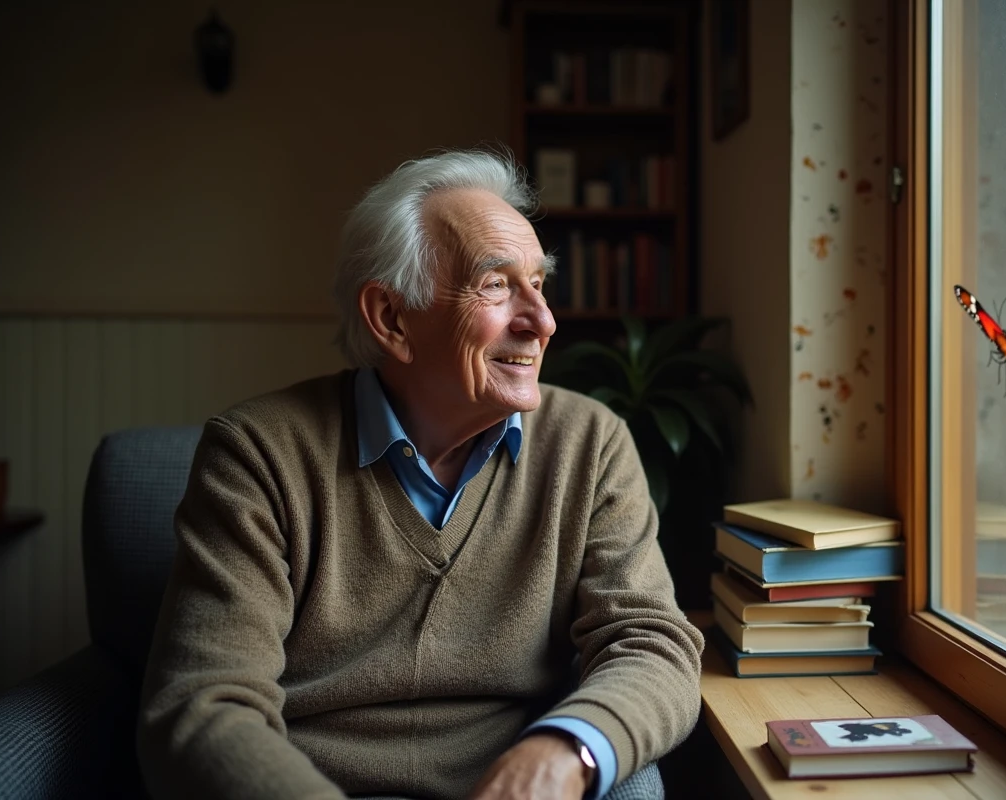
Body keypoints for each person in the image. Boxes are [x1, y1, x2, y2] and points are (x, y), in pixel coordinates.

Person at [137, 148, 704, 800]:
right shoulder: (258, 454)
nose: (543, 322)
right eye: (496, 285)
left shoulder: (590, 443)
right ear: (392, 318)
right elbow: (204, 704)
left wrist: (567, 749)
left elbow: (650, 642)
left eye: (538, 283)